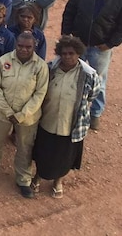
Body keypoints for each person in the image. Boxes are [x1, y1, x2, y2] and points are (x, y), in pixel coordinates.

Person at [0, 32, 48, 198]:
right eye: (20, 46)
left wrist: (22, 114)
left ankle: (23, 180)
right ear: (16, 44)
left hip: (27, 117)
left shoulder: (41, 67)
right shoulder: (3, 61)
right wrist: (8, 112)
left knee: (25, 148)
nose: (23, 49)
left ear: (34, 47)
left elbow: (40, 94)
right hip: (1, 113)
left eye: (28, 47)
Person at [31, 35, 101, 199]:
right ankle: (37, 177)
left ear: (79, 54)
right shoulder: (50, 69)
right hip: (48, 120)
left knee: (65, 156)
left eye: (71, 53)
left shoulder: (89, 75)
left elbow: (92, 95)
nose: (67, 57)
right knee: (43, 152)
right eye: (64, 53)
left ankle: (58, 182)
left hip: (71, 125)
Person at [61, 0, 122, 131]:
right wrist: (67, 35)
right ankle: (71, 109)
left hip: (100, 47)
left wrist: (110, 43)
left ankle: (95, 114)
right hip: (78, 44)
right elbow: (69, 12)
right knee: (73, 76)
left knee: (98, 80)